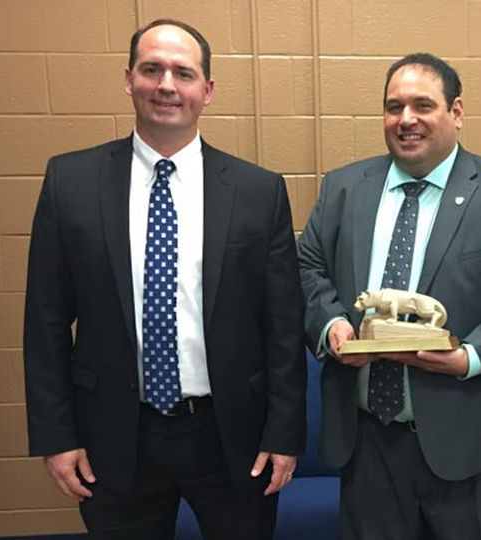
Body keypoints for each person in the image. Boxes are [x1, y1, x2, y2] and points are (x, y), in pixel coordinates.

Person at [23, 19, 306, 540]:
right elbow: (44, 322)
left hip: (231, 438)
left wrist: (284, 433)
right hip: (114, 434)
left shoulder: (258, 190)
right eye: (152, 69)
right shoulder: (71, 182)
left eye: (183, 72)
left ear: (208, 89)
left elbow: (283, 327)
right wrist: (56, 436)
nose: (167, 85)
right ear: (129, 79)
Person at [297, 52, 481, 540]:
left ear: (456, 113)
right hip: (369, 444)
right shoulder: (343, 188)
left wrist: (470, 357)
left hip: (475, 446)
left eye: (422, 105)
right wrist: (331, 323)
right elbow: (307, 269)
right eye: (393, 107)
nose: (406, 119)